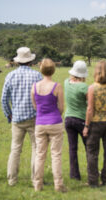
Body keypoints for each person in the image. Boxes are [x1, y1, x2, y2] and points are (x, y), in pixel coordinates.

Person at [1, 47, 42, 186]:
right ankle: (35, 179)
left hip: (17, 118)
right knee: (36, 149)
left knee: (15, 149)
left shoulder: (10, 76)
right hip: (34, 118)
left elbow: (3, 99)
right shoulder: (37, 76)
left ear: (17, 61)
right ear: (31, 60)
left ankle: (12, 180)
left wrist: (9, 115)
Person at [31, 58, 67, 192]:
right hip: (55, 122)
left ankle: (37, 185)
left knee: (40, 155)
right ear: (53, 70)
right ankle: (58, 185)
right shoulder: (57, 86)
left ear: (41, 69)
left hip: (40, 123)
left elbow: (35, 106)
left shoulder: (34, 86)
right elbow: (61, 107)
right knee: (56, 155)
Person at [83, 60, 106, 187]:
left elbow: (90, 109)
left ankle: (93, 181)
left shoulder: (92, 88)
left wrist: (86, 126)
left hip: (96, 123)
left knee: (92, 152)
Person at [64, 60, 88, 180]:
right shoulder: (84, 87)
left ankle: (74, 175)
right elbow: (89, 104)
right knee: (89, 147)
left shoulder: (66, 82)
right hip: (81, 120)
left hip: (68, 119)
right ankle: (92, 172)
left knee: (72, 148)